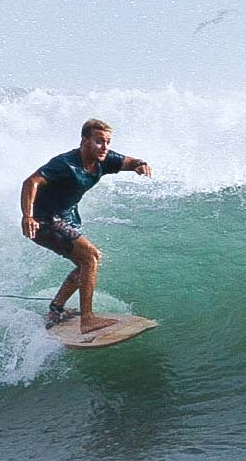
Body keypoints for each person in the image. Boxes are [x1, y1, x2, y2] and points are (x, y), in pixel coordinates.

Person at [20, 117, 152, 333]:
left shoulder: (104, 159)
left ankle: (56, 310)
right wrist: (28, 216)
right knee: (90, 257)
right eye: (99, 141)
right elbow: (30, 182)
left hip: (66, 218)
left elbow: (130, 162)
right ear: (84, 141)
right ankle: (87, 319)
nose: (105, 147)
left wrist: (140, 164)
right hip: (44, 220)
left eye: (108, 142)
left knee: (89, 261)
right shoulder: (65, 164)